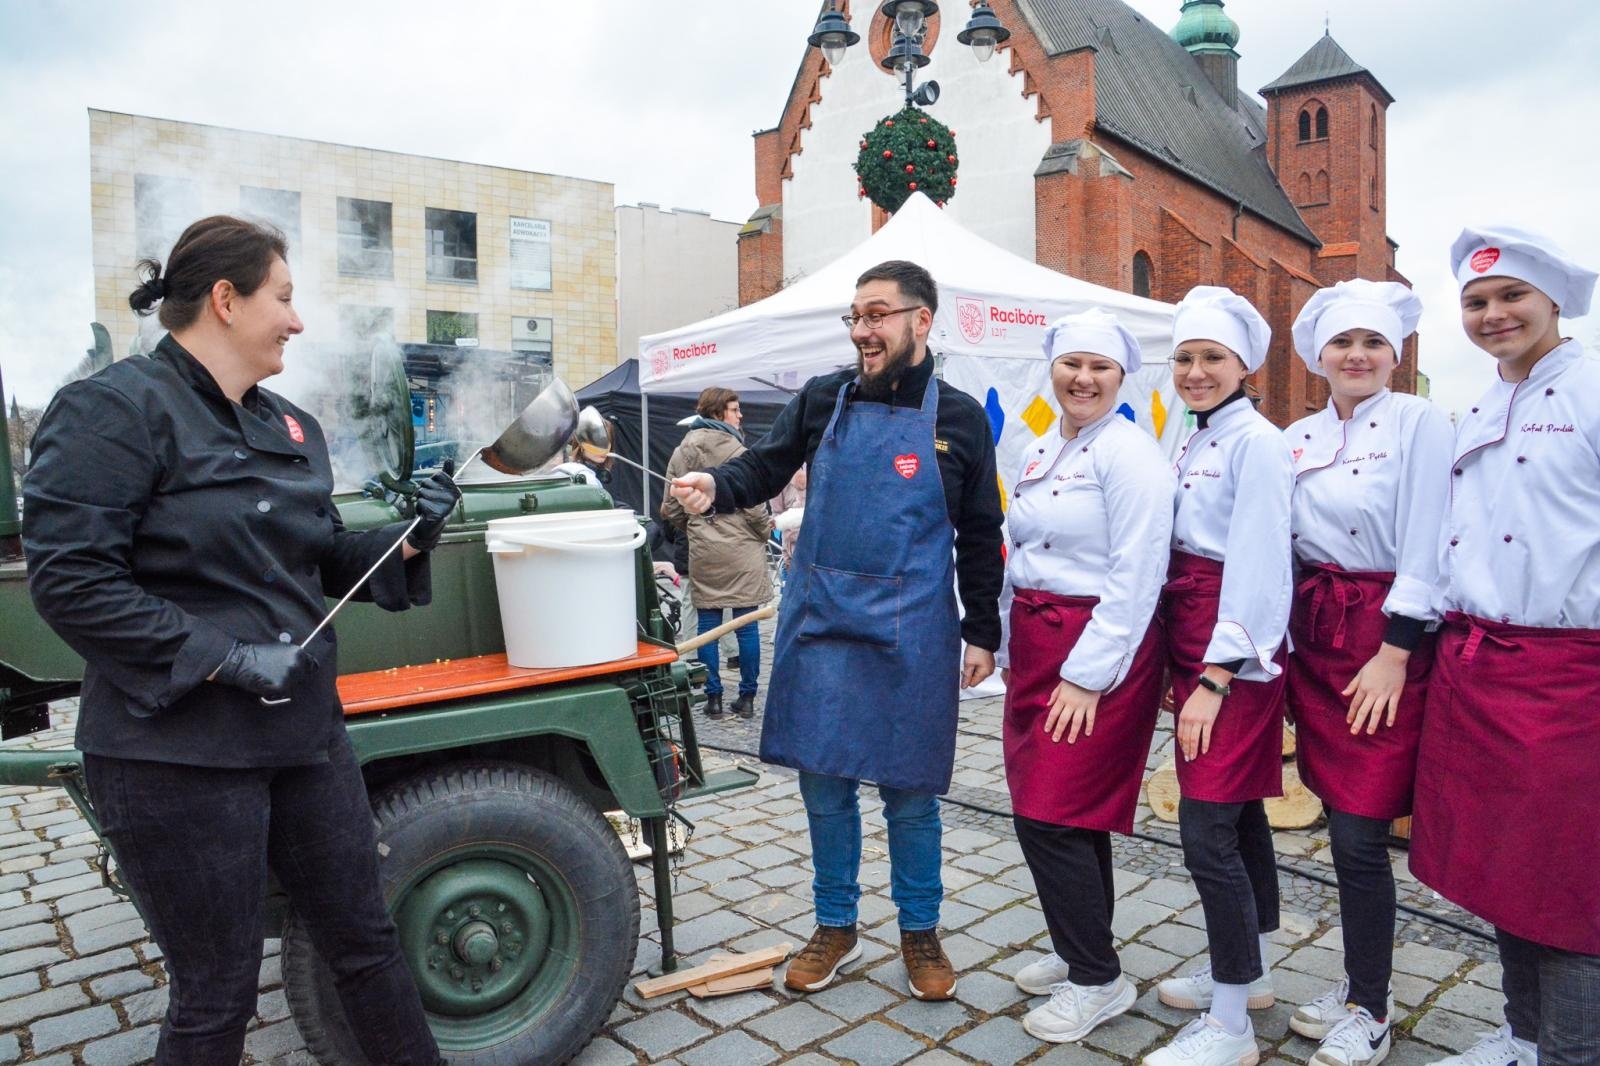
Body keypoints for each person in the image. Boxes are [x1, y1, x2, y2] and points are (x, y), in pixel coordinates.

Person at [22, 216, 453, 1066]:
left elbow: (320, 554)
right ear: (225, 299)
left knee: (367, 945)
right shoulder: (114, 409)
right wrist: (223, 656)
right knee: (216, 995)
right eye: (284, 298)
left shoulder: (291, 426)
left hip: (303, 736)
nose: (297, 321)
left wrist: (408, 539)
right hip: (174, 752)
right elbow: (72, 583)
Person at [668, 259, 1003, 1001]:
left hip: (914, 626)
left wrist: (984, 631)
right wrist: (713, 486)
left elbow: (982, 533)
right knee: (824, 782)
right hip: (823, 618)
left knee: (911, 791)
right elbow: (762, 468)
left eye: (877, 314)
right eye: (855, 316)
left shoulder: (959, 419)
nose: (862, 330)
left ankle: (920, 932)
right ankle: (836, 925)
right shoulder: (824, 399)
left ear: (922, 320)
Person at [1411, 226, 1600, 1066]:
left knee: (1570, 890)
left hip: (1570, 675)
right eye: (1476, 302)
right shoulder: (1481, 405)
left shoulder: (1593, 390)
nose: (1493, 315)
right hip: (1479, 666)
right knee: (1501, 873)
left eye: (1510, 296)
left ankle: (1569, 1051)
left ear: (1553, 300)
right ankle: (1524, 1036)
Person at [1281, 280, 1452, 1066]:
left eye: (1372, 344)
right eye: (1343, 344)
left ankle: (1371, 1007)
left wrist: (1395, 650)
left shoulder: (1419, 423)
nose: (1357, 356)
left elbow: (1430, 539)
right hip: (1317, 637)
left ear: (1394, 356)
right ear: (1319, 356)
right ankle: (1356, 982)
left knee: (1356, 832)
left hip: (1385, 644)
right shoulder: (1298, 436)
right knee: (1334, 811)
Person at [996, 310, 1174, 1042]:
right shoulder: (1046, 446)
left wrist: (1088, 675)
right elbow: (1024, 548)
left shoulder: (1130, 454)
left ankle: (1098, 980)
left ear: (1121, 378)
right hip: (1040, 646)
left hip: (1096, 647)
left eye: (1100, 367)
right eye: (1073, 364)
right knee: (1067, 815)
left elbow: (1138, 574)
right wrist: (1007, 645)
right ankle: (1084, 951)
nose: (1084, 378)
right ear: (1054, 371)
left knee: (1051, 813)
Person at [1146, 287, 1294, 1066]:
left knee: (1208, 831)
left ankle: (1231, 1024)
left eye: (1212, 359)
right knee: (1238, 819)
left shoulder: (1257, 442)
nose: (1196, 372)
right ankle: (1251, 972)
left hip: (1232, 651)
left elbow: (1264, 564)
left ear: (1243, 365)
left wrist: (1215, 676)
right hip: (1194, 632)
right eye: (1186, 359)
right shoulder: (1195, 437)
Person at [661, 387, 774, 719]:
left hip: (704, 552)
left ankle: (712, 698)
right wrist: (764, 533)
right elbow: (755, 509)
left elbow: (671, 506)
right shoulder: (740, 451)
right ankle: (748, 698)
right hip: (743, 553)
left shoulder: (682, 452)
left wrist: (696, 526)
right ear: (716, 413)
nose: (740, 416)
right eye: (735, 410)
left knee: (708, 625)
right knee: (746, 625)